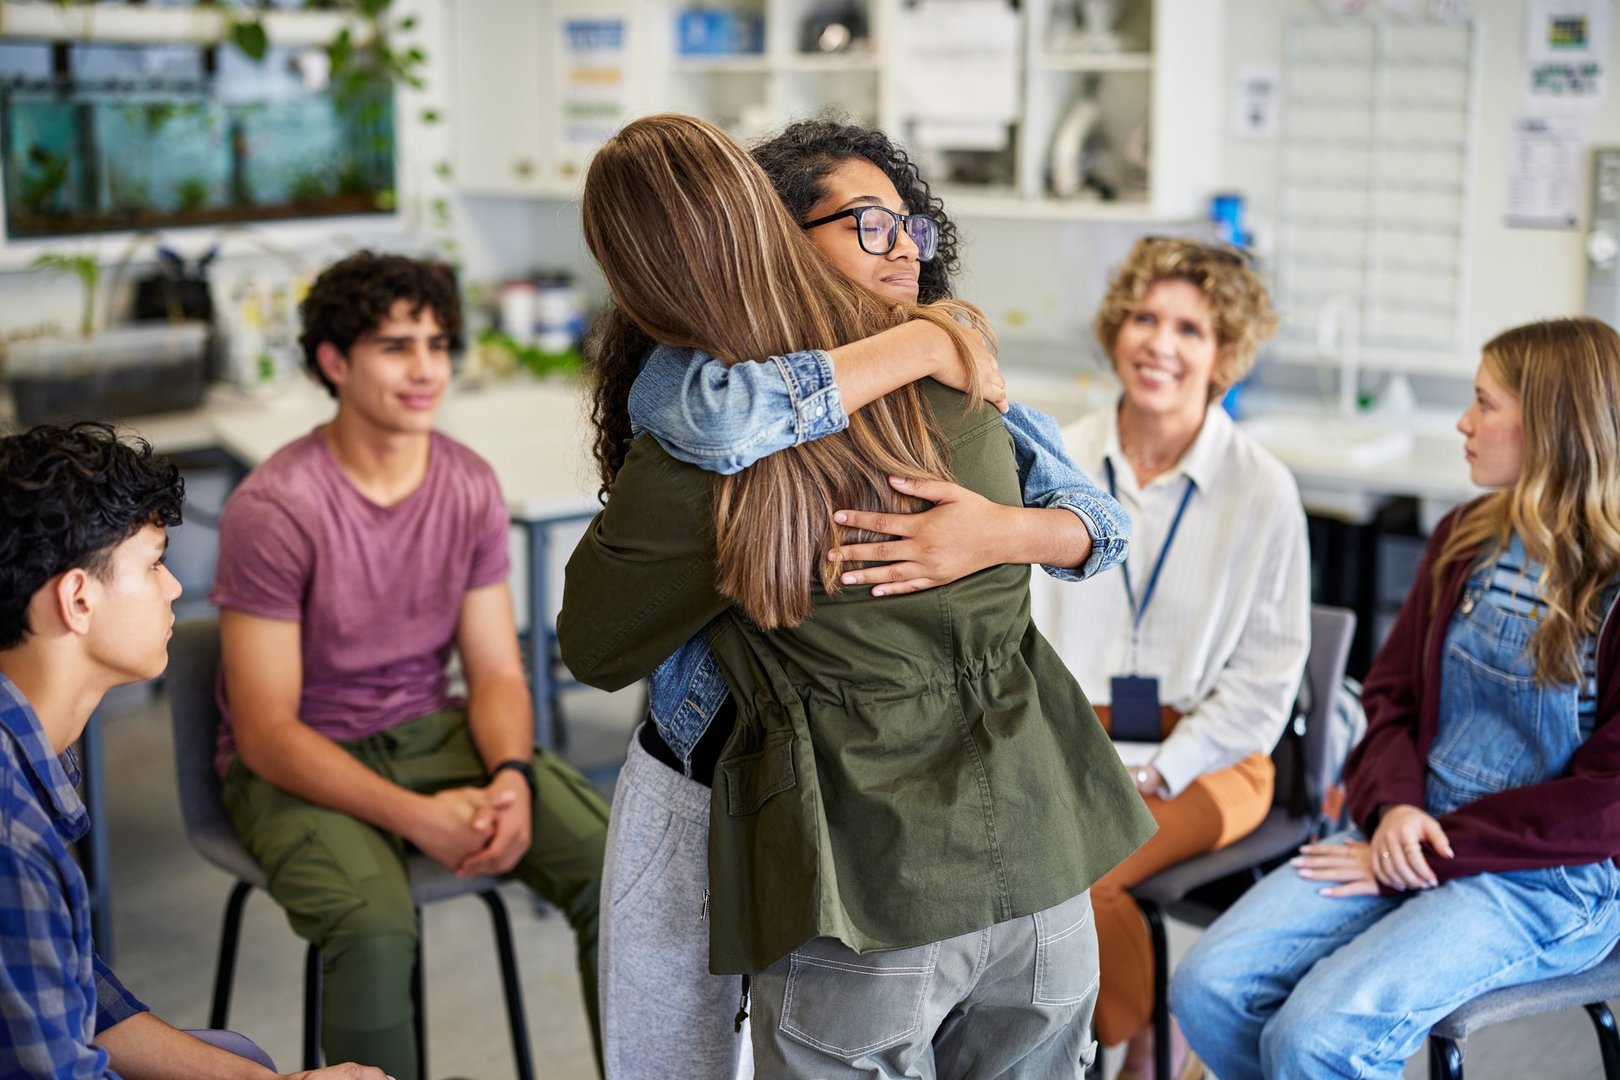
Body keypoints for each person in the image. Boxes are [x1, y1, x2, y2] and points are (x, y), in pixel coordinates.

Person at [561, 112, 1155, 1080]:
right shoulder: (965, 388)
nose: (902, 251)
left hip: (872, 888)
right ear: (773, 236)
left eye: (904, 226)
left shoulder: (711, 462)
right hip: (1043, 869)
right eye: (867, 225)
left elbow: (593, 642)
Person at [1169, 316, 1620, 1080]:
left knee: (1314, 1040)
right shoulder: (1463, 538)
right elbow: (1390, 698)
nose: (1461, 422)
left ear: (1551, 427)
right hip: (1408, 829)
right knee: (1208, 985)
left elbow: (1607, 805)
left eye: (1484, 404)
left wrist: (1430, 851)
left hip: (1541, 882)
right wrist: (1394, 813)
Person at [210, 252, 609, 1080]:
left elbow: (497, 672)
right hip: (298, 760)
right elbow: (265, 732)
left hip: (431, 731)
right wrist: (416, 816)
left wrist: (509, 777)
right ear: (334, 362)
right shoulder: (275, 508)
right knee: (375, 927)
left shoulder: (467, 485)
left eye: (437, 343)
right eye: (397, 346)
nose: (427, 369)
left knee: (621, 877)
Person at [0, 421, 388, 1080]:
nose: (175, 587)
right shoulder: (15, 839)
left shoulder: (33, 744)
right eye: (153, 563)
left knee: (244, 1062)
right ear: (77, 599)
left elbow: (73, 989)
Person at [1027, 235, 1311, 1080]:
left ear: (1224, 353)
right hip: (1067, 740)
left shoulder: (1261, 488)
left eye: (1190, 329)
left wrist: (1164, 767)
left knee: (1084, 872)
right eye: (1146, 318)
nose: (1160, 343)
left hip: (1215, 759)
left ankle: (1146, 1050)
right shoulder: (1055, 458)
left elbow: (1264, 686)